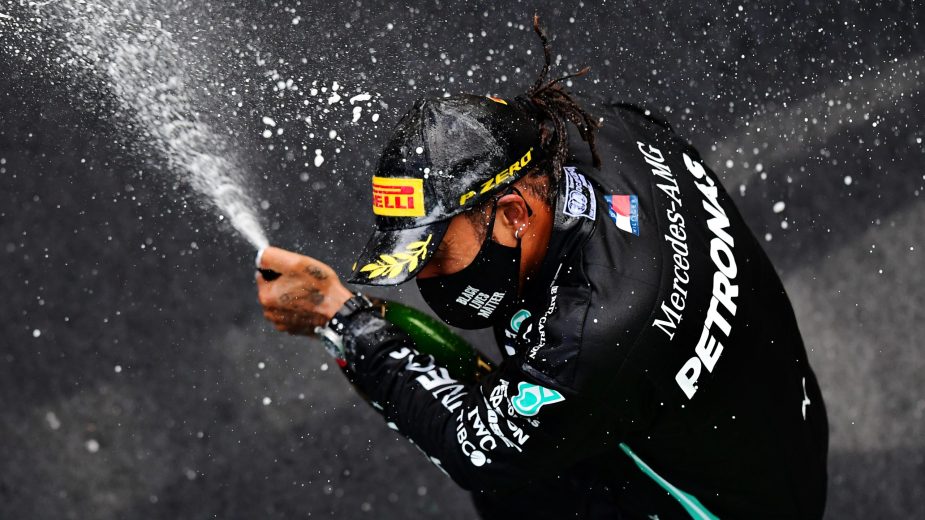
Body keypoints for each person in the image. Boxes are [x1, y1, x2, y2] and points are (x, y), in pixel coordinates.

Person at [256, 17, 828, 519]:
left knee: (516, 491)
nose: (422, 281)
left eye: (432, 255)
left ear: (512, 212)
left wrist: (341, 319)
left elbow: (470, 448)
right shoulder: (598, 133)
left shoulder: (589, 336)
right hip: (771, 418)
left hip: (724, 506)